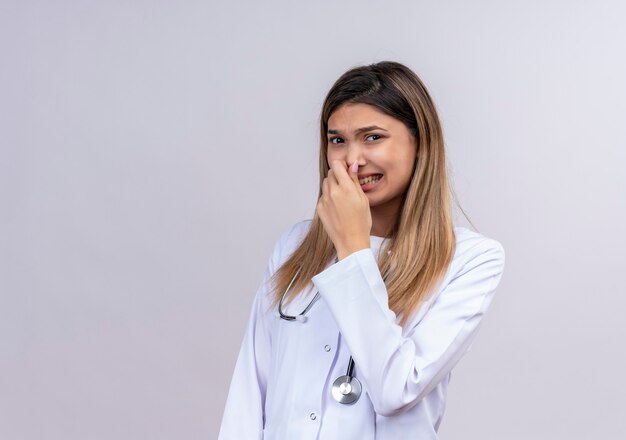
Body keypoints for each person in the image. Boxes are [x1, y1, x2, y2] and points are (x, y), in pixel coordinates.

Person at [218, 61, 505, 439]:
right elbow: (249, 394)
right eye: (338, 140)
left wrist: (353, 250)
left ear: (421, 144)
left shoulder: (470, 260)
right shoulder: (293, 246)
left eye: (372, 137)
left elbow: (395, 391)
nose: (352, 161)